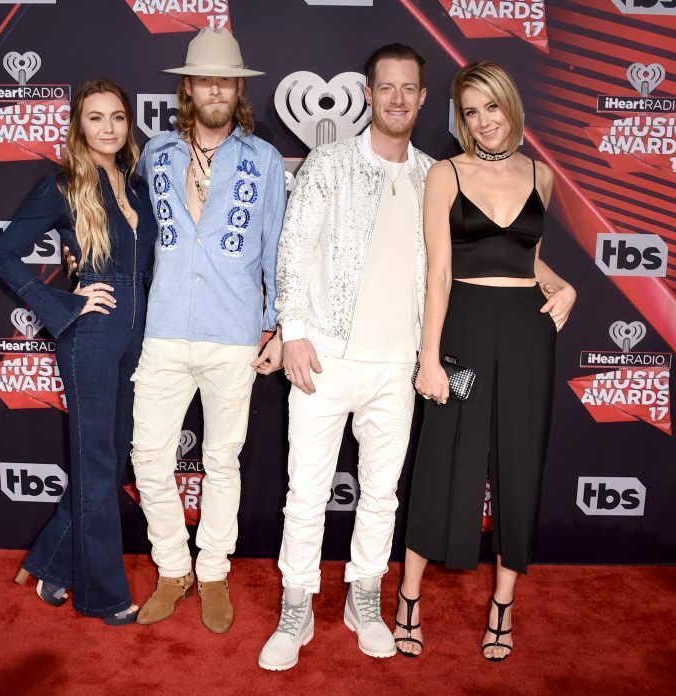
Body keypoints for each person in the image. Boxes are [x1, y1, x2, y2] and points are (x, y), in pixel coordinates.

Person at [258, 44, 433, 672]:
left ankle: (365, 600)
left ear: (421, 95)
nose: (396, 98)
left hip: (397, 367)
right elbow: (292, 249)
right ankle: (296, 608)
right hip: (324, 358)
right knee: (305, 494)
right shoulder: (329, 163)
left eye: (407, 88)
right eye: (385, 87)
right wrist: (295, 331)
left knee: (381, 496)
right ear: (368, 92)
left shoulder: (433, 175)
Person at [399, 61, 576, 662]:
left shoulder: (541, 176)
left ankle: (503, 604)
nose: (482, 122)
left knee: (518, 467)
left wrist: (566, 287)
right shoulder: (445, 175)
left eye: (490, 108)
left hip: (528, 333)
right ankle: (409, 595)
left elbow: (525, 260)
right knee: (441, 461)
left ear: (510, 106)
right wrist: (430, 356)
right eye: (470, 112)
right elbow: (440, 273)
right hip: (465, 330)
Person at [128, 27, 286, 635]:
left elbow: (275, 247)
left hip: (234, 332)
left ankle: (214, 569)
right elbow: (133, 238)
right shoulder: (156, 154)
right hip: (164, 328)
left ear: (237, 88)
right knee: (148, 457)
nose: (216, 89)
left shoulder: (264, 160)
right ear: (187, 86)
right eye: (205, 79)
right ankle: (173, 567)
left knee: (222, 460)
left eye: (227, 80)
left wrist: (275, 327)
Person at [0, 79, 155, 625]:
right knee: (96, 462)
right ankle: (104, 594)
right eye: (95, 118)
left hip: (138, 335)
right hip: (91, 334)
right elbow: (3, 256)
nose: (108, 128)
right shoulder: (62, 187)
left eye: (117, 117)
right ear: (78, 126)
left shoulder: (136, 185)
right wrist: (64, 302)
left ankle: (49, 564)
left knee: (108, 464)